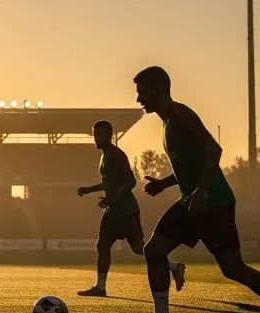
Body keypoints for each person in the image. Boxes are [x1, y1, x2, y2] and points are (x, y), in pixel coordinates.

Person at [127, 66, 260, 313]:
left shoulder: (179, 115)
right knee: (153, 250)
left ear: (160, 91)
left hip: (214, 203)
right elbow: (193, 164)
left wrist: (202, 191)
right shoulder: (166, 122)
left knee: (233, 268)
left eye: (143, 93)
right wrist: (165, 183)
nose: (139, 99)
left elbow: (214, 149)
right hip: (192, 201)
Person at [76, 118, 185, 297]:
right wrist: (89, 190)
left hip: (126, 210)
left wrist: (112, 199)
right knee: (102, 246)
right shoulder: (104, 156)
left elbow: (130, 181)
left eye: (99, 134)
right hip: (113, 210)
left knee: (138, 248)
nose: (96, 137)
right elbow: (109, 182)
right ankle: (100, 287)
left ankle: (174, 267)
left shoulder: (116, 154)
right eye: (94, 134)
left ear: (109, 136)